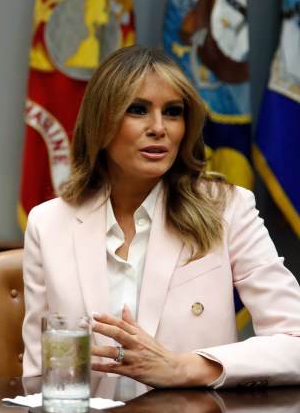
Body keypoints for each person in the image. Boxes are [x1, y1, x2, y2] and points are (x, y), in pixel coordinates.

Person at [22, 45, 300, 388]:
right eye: (137, 110)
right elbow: (37, 376)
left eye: (173, 112)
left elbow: (296, 342)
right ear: (101, 120)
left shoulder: (228, 208)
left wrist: (184, 368)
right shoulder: (48, 223)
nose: (159, 128)